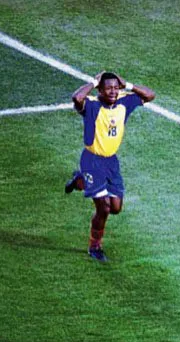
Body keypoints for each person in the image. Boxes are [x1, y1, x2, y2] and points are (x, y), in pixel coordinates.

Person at [64, 71, 155, 262]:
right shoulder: (92, 106)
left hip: (111, 162)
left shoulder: (124, 102)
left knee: (115, 207)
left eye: (115, 87)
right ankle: (94, 246)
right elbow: (77, 97)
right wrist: (93, 81)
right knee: (103, 208)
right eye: (108, 88)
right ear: (100, 90)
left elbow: (150, 95)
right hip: (92, 161)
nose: (113, 91)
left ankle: (80, 180)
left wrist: (128, 84)